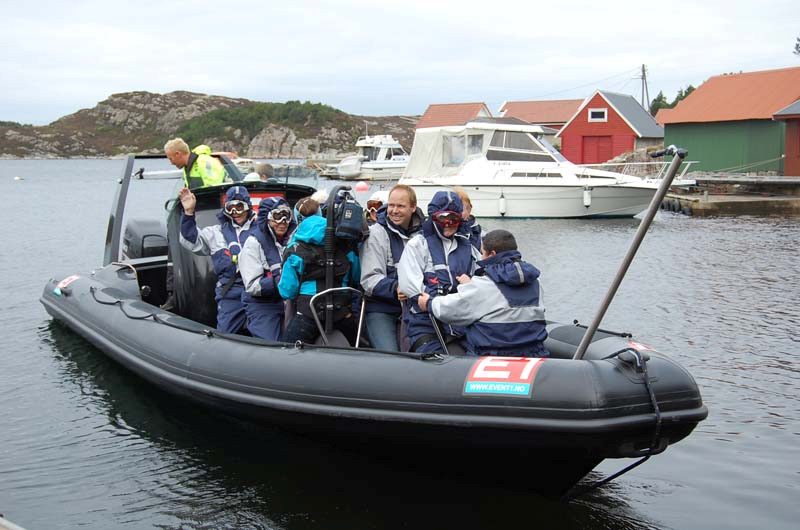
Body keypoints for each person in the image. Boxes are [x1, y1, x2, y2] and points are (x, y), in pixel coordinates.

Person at [417, 229, 549, 357]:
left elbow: (451, 310)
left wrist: (429, 303)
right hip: (534, 355)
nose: (481, 257)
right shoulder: (535, 283)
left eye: (482, 252)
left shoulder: (484, 284)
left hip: (493, 357)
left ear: (492, 254)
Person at [397, 190, 480, 354]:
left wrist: (471, 284)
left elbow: (482, 280)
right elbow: (410, 285)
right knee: (432, 357)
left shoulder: (467, 247)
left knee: (478, 353)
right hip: (425, 321)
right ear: (434, 217)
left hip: (460, 319)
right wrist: (431, 299)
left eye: (453, 219)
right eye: (443, 218)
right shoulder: (418, 244)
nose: (448, 223)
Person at [178, 185, 255, 334]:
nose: (235, 212)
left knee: (267, 334)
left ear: (248, 206)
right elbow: (190, 239)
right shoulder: (215, 233)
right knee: (225, 334)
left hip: (259, 293)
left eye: (240, 207)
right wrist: (188, 212)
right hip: (230, 292)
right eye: (231, 207)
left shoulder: (261, 230)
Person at [161, 138, 227, 310]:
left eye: (170, 158)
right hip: (197, 217)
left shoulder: (205, 163)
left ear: (178, 154)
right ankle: (174, 295)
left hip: (211, 219)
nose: (170, 161)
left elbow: (217, 187)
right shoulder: (188, 168)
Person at [359, 185, 425, 351]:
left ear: (413, 207)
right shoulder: (376, 233)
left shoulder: (424, 234)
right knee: (391, 354)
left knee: (426, 351)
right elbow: (369, 279)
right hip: (382, 308)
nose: (394, 210)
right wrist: (395, 287)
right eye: (391, 205)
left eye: (401, 206)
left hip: (418, 307)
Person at [278, 215, 361, 345]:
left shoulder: (294, 251)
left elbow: (287, 291)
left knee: (287, 351)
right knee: (362, 348)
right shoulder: (347, 248)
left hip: (308, 314)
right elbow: (356, 278)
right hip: (342, 313)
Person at [238, 197, 296, 341]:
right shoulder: (253, 243)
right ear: (266, 218)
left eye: (286, 216)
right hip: (263, 305)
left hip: (289, 302)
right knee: (270, 343)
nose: (282, 222)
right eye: (277, 216)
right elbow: (252, 286)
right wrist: (281, 280)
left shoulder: (293, 240)